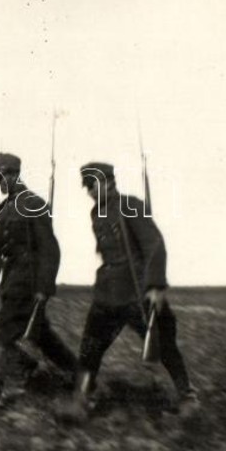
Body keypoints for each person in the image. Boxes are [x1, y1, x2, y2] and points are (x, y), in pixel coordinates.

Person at [67, 162, 197, 419]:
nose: (90, 191)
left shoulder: (130, 204)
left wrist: (156, 286)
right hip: (107, 293)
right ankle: (81, 399)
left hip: (137, 291)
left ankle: (187, 398)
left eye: (93, 185)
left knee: (164, 345)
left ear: (107, 181)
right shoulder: (96, 213)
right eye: (87, 187)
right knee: (90, 347)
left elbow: (154, 245)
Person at [0, 152, 77, 410]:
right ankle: (82, 376)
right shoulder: (5, 209)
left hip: (27, 282)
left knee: (2, 333)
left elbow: (50, 250)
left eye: (2, 176)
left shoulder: (34, 204)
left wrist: (44, 288)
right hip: (11, 280)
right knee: (41, 335)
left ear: (14, 174)